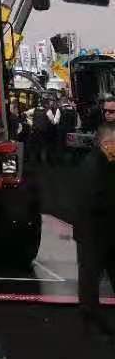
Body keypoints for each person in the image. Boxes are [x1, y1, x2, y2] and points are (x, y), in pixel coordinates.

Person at [75, 121, 115, 338]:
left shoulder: (106, 163)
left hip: (103, 233)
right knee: (90, 279)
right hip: (94, 234)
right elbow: (92, 201)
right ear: (107, 143)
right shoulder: (93, 165)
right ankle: (90, 322)